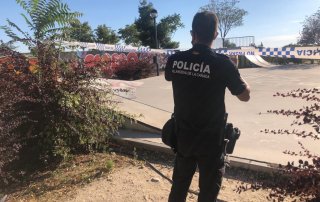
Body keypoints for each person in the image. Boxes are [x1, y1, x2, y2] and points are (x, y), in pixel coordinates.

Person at [165, 11, 250, 202]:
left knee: (178, 187)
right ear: (215, 35)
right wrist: (234, 70)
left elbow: (170, 76)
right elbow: (245, 96)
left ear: (192, 33)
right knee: (208, 192)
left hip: (183, 136)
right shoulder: (222, 63)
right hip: (211, 141)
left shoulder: (174, 60)